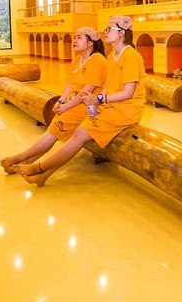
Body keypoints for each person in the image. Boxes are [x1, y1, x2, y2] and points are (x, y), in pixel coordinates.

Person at [12, 15, 145, 186]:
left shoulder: (131, 56)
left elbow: (128, 93)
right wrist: (92, 102)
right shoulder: (113, 56)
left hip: (126, 109)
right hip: (108, 106)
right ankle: (43, 174)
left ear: (121, 33)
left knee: (80, 134)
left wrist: (96, 99)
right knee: (78, 135)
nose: (105, 32)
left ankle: (38, 167)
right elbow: (106, 87)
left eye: (109, 29)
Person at [0, 27, 107, 173]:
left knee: (52, 133)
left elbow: (85, 92)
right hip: (74, 103)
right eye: (74, 37)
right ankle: (27, 161)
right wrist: (60, 101)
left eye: (79, 37)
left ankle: (20, 158)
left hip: (89, 107)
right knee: (53, 131)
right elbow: (70, 83)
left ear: (90, 43)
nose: (74, 40)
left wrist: (66, 107)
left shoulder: (98, 60)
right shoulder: (78, 60)